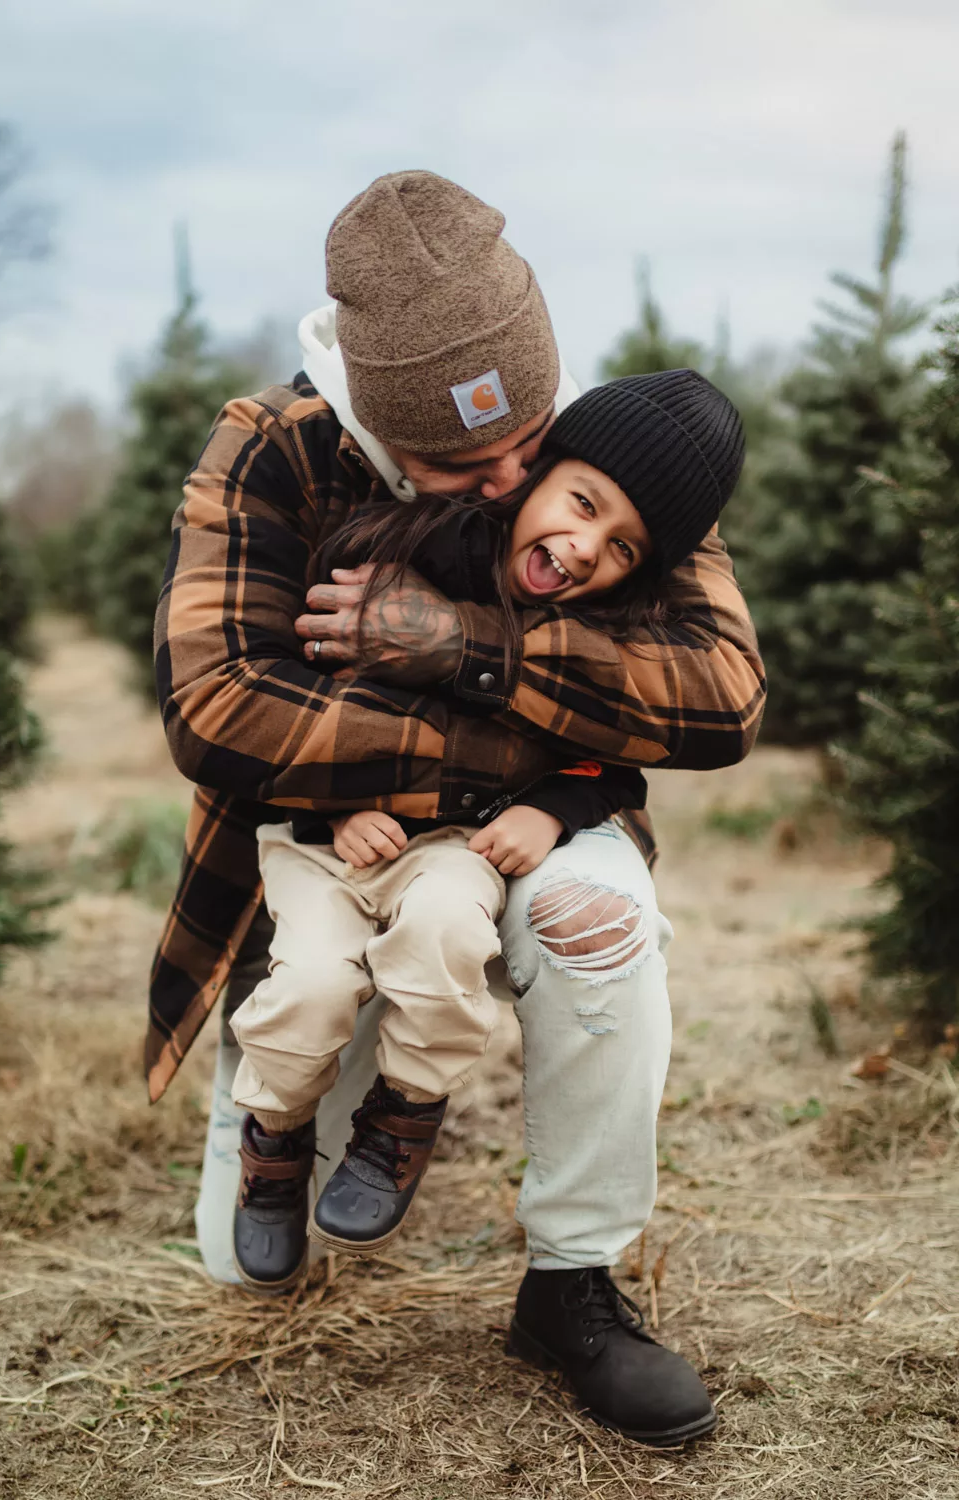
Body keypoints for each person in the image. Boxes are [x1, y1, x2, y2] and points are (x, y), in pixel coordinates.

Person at [149, 170, 765, 1447]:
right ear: (376, 420)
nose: (505, 484)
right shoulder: (271, 445)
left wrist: (470, 648)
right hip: (330, 844)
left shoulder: (602, 452)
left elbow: (721, 696)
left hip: (531, 830)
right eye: (457, 460)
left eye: (523, 447)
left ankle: (571, 1286)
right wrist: (481, 740)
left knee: (600, 919)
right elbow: (214, 709)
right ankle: (284, 1116)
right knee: (242, 1263)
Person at [230, 370, 745, 1281]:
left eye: (623, 548)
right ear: (539, 472)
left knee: (443, 942)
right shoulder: (396, 549)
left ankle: (401, 1119)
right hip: (326, 841)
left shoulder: (593, 629)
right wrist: (334, 801)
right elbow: (286, 697)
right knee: (306, 987)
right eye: (582, 504)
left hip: (452, 847)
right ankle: (270, 1143)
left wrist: (552, 806)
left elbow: (627, 753)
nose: (587, 548)